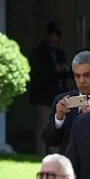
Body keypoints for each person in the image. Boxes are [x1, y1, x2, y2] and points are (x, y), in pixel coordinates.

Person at [43, 51, 90, 154]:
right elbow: (50, 141)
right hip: (68, 166)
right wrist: (58, 119)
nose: (81, 81)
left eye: (87, 75)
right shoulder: (62, 100)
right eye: (77, 76)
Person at [30, 23, 70, 155]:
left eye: (57, 42)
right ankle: (40, 153)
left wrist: (63, 69)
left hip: (59, 94)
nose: (55, 44)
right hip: (44, 96)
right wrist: (54, 70)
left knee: (57, 125)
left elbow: (66, 73)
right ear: (48, 39)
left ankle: (55, 154)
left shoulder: (60, 53)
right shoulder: (39, 53)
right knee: (43, 125)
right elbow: (38, 73)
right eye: (53, 41)